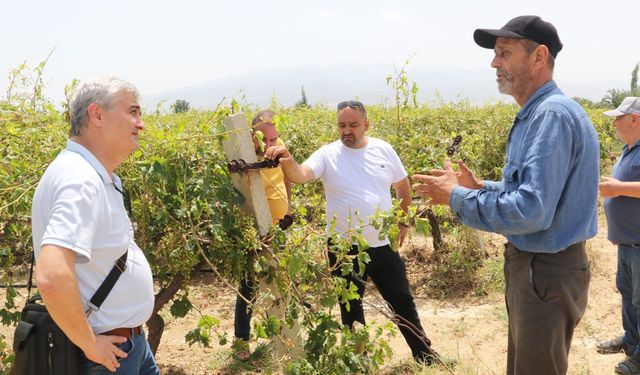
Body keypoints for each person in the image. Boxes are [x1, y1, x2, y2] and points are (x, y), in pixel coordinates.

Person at [412, 15, 599, 375]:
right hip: (539, 269)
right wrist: (479, 188)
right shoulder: (540, 114)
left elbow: (532, 211)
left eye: (504, 53)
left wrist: (455, 198)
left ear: (538, 57)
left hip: (544, 271)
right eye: (496, 54)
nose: (494, 63)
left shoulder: (551, 117)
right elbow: (534, 192)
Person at [263, 100, 437, 363]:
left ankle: (425, 356)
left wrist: (402, 221)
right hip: (343, 249)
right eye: (342, 125)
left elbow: (402, 187)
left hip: (382, 244)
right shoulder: (327, 154)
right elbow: (301, 174)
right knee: (350, 309)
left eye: (353, 125)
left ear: (366, 124)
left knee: (402, 301)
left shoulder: (384, 149)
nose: (347, 130)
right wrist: (287, 160)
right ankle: (359, 361)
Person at [32, 77, 159, 374]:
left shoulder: (92, 174)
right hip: (107, 356)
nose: (140, 124)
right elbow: (51, 274)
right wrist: (89, 343)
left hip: (128, 346)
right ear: (97, 115)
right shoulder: (80, 180)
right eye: (133, 111)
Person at [232, 110, 292, 360]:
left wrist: (289, 207)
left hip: (279, 228)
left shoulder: (279, 148)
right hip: (258, 233)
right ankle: (241, 342)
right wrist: (255, 233)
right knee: (250, 286)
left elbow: (287, 176)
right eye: (263, 139)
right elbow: (244, 201)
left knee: (282, 283)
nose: (270, 144)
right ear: (252, 136)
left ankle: (283, 336)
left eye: (273, 138)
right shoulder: (246, 162)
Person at [595, 97, 640, 375]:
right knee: (627, 295)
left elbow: (624, 189)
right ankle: (631, 339)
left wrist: (620, 187)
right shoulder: (628, 150)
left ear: (634, 119)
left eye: (618, 118)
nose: (614, 124)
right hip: (627, 242)